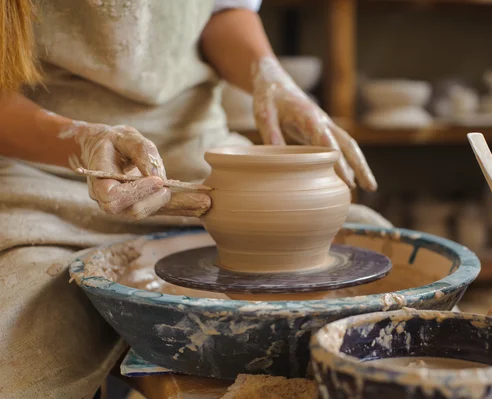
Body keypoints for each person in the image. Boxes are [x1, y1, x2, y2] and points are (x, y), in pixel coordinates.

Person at [0, 1, 392, 397]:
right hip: (53, 168)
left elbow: (222, 11)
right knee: (18, 337)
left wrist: (268, 73)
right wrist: (83, 141)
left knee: (374, 250)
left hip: (194, 157)